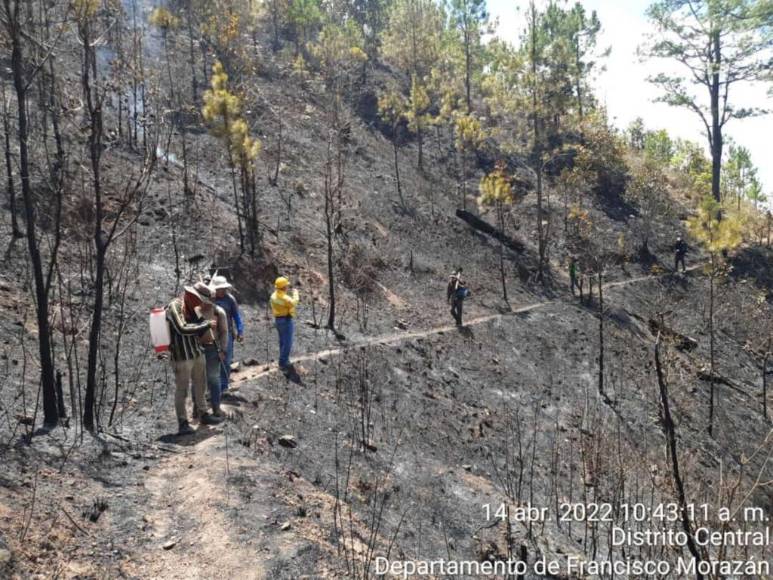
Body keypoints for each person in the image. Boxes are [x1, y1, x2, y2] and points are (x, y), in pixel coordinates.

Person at [165, 285, 223, 435]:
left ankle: (203, 413)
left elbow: (203, 327)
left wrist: (208, 326)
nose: (201, 303)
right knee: (182, 390)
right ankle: (183, 422)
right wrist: (206, 324)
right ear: (190, 295)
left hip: (196, 352)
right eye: (199, 299)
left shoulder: (195, 308)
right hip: (182, 355)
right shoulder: (174, 306)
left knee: (200, 384)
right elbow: (182, 328)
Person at [195, 281, 229, 417]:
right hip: (196, 349)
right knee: (197, 380)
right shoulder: (194, 311)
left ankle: (216, 407)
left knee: (214, 379)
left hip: (212, 349)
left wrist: (223, 350)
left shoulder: (218, 311)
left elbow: (224, 332)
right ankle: (197, 409)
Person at [211, 274, 243, 393]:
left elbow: (236, 316)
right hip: (212, 333)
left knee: (226, 359)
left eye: (224, 289)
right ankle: (213, 388)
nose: (222, 291)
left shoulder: (230, 299)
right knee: (212, 360)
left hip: (227, 332)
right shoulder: (209, 299)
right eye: (220, 289)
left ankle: (224, 387)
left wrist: (240, 331)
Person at [270, 276, 300, 371]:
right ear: (283, 287)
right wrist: (296, 294)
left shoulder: (273, 296)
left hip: (278, 320)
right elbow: (293, 303)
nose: (287, 287)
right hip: (286, 320)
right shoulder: (285, 298)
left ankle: (283, 359)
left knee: (282, 341)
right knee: (287, 342)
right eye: (286, 286)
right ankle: (283, 362)